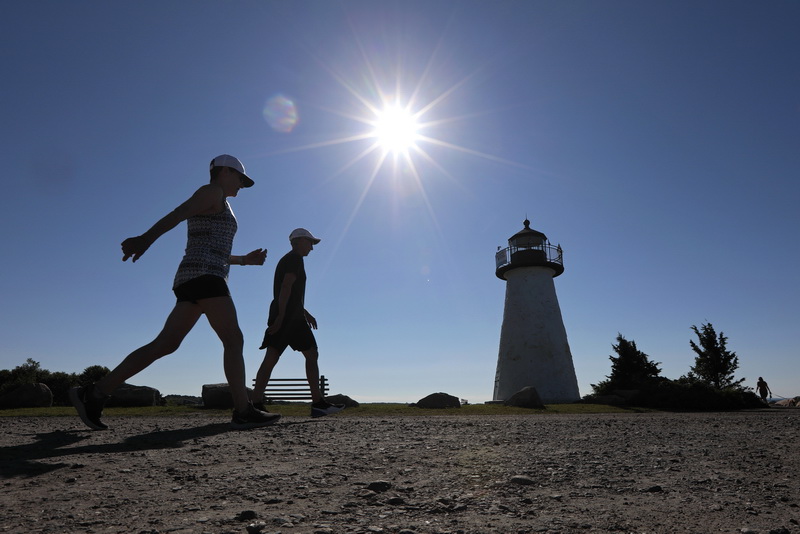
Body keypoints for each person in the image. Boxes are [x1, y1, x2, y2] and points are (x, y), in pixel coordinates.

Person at [70, 155, 281, 431]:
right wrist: (145, 240)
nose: (242, 185)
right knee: (233, 339)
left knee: (165, 344)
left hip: (195, 276)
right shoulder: (211, 192)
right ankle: (243, 410)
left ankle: (94, 393)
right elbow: (177, 214)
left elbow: (215, 249)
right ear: (225, 172)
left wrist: (245, 260)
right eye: (240, 178)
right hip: (205, 276)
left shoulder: (220, 201)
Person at [252, 228, 344, 418]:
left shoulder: (289, 259)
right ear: (300, 241)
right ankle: (318, 404)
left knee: (272, 357)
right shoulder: (294, 259)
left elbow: (290, 292)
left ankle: (256, 403)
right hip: (289, 317)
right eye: (310, 243)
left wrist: (305, 312)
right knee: (311, 353)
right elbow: (285, 287)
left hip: (288, 313)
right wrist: (281, 317)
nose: (312, 247)